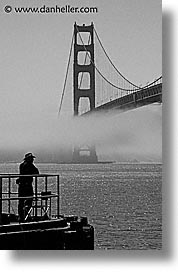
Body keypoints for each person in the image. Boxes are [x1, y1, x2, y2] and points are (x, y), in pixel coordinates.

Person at [17, 153, 39, 222]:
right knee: (29, 200)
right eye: (31, 158)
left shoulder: (21, 165)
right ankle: (26, 216)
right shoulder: (30, 165)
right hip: (27, 186)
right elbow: (37, 172)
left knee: (21, 202)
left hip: (21, 186)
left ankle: (21, 216)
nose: (32, 160)